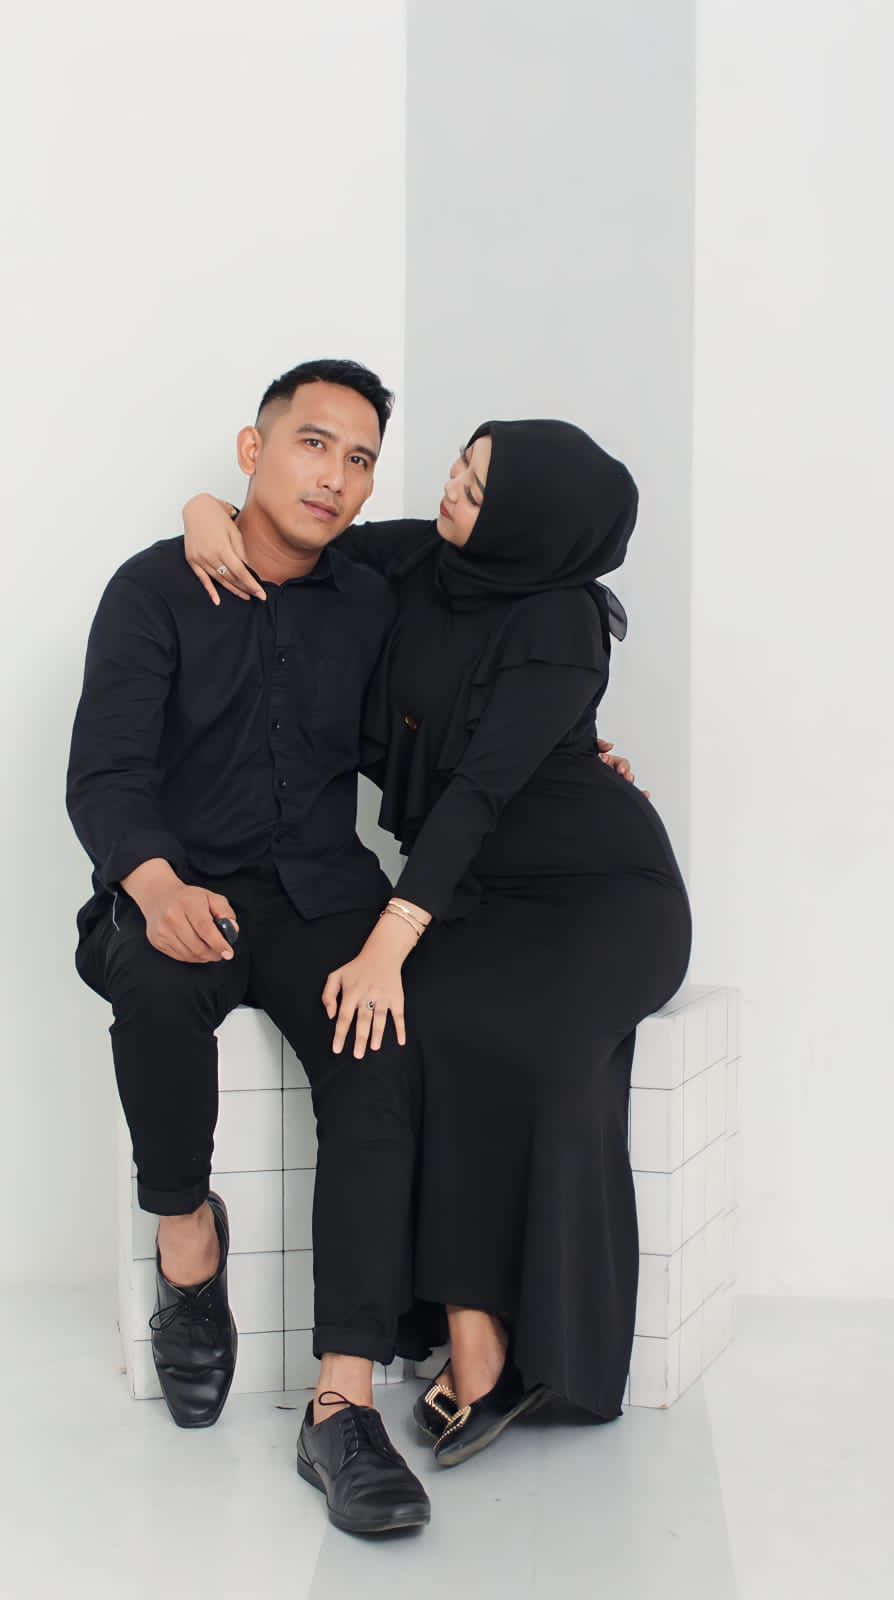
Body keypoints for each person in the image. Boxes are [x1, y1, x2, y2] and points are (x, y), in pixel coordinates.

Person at [182, 416, 691, 1468]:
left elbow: (478, 792)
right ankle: (477, 1334)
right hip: (473, 893)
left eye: (479, 486)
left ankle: (500, 1345)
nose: (452, 489)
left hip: (597, 894)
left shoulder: (560, 619)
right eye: (461, 464)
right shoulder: (420, 555)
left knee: (516, 1045)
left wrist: (388, 940)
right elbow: (293, 539)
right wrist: (201, 513)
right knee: (424, 1033)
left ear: (532, 525)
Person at [67, 359, 434, 1537]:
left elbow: (480, 573)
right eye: (312, 443)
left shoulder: (370, 592)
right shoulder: (152, 589)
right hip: (185, 878)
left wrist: (573, 758)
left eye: (359, 459)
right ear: (252, 447)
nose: (334, 476)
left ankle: (342, 1405)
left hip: (321, 895)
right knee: (154, 979)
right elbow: (105, 769)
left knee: (379, 1054)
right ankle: (188, 1247)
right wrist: (153, 880)